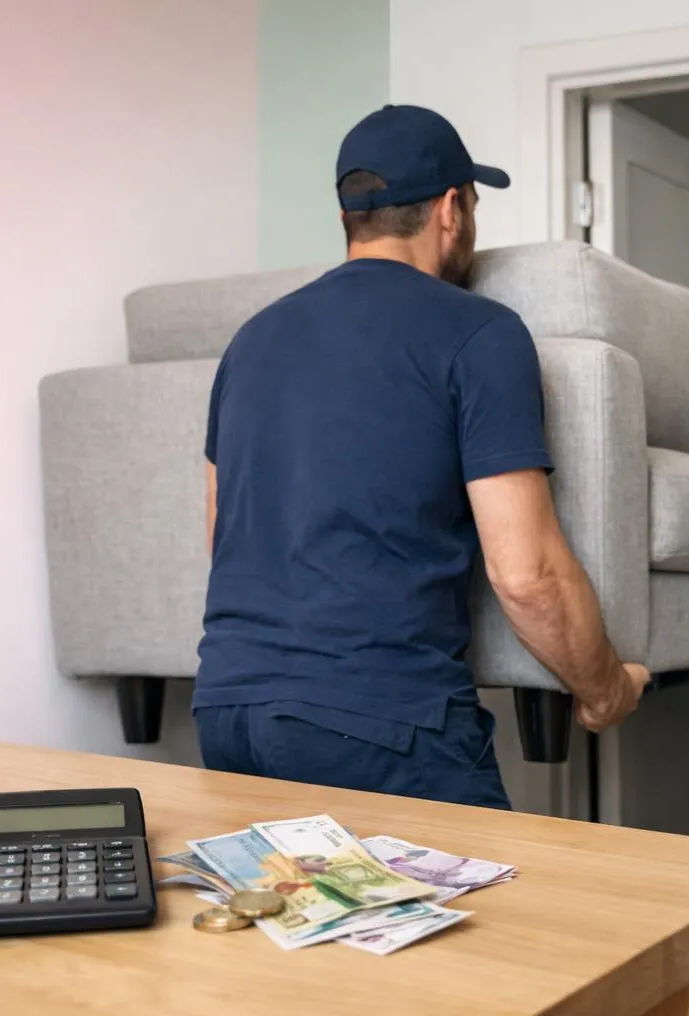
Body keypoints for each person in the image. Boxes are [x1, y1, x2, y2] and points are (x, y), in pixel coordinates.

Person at [192, 104, 649, 810]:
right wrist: (607, 690)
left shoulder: (250, 341)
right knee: (492, 921)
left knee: (304, 923)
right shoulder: (480, 334)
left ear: (350, 217)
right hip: (380, 721)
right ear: (449, 210)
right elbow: (526, 575)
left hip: (227, 716)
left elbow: (223, 531)